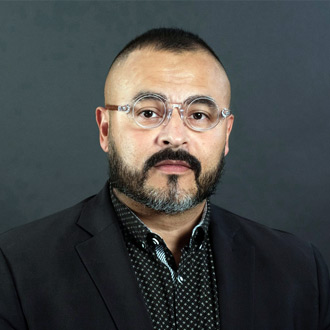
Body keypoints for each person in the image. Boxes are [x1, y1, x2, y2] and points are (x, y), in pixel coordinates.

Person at [0, 28, 329, 330]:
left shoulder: (299, 269)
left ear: (226, 134)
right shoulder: (15, 267)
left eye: (199, 115)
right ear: (105, 130)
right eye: (147, 113)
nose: (174, 136)